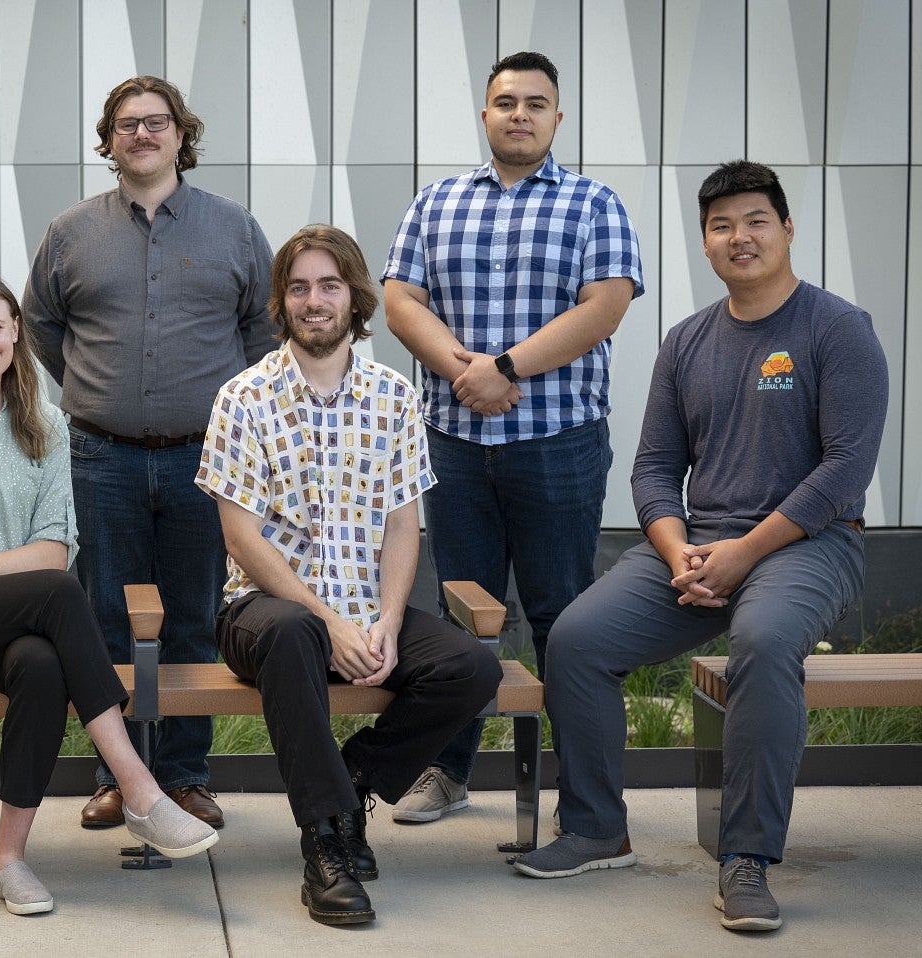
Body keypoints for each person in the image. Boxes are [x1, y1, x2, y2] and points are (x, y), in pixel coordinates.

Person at [512, 161, 887, 933]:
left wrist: (746, 551)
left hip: (809, 542)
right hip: (697, 547)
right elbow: (654, 468)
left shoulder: (837, 328)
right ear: (706, 243)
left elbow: (845, 468)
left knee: (765, 638)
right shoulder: (687, 342)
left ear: (786, 228)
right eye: (721, 226)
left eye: (755, 220)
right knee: (577, 640)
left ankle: (745, 859)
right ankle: (594, 828)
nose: (738, 237)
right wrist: (679, 549)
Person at [0, 273, 218, 915]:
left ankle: (9, 861)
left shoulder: (46, 426)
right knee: (57, 593)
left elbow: (54, 548)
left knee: (41, 663)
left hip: (17, 630)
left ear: (16, 334)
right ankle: (139, 786)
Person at [197, 225, 503, 925]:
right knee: (296, 632)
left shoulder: (394, 396)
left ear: (354, 298)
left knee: (472, 668)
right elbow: (240, 537)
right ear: (282, 301)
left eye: (329, 285)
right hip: (261, 614)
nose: (314, 300)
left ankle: (352, 779)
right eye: (299, 287)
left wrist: (388, 620)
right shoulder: (242, 398)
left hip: (366, 609)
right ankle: (325, 843)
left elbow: (403, 524)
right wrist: (331, 622)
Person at [383, 50, 643, 822]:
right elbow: (401, 300)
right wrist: (464, 371)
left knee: (565, 614)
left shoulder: (595, 204)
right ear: (486, 114)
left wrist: (503, 368)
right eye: (506, 102)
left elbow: (605, 305)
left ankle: (583, 793)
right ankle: (449, 771)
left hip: (557, 442)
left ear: (557, 118)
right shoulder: (436, 203)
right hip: (454, 444)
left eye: (536, 103)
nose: (520, 114)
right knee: (463, 610)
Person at [24, 75, 274, 830]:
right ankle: (117, 774)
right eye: (126, 124)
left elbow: (262, 334)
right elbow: (41, 324)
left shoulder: (234, 228)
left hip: (208, 458)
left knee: (195, 616)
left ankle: (188, 776)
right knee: (104, 617)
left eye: (156, 122)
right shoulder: (71, 231)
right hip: (102, 458)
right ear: (109, 141)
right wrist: (101, 392)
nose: (142, 134)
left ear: (180, 134)